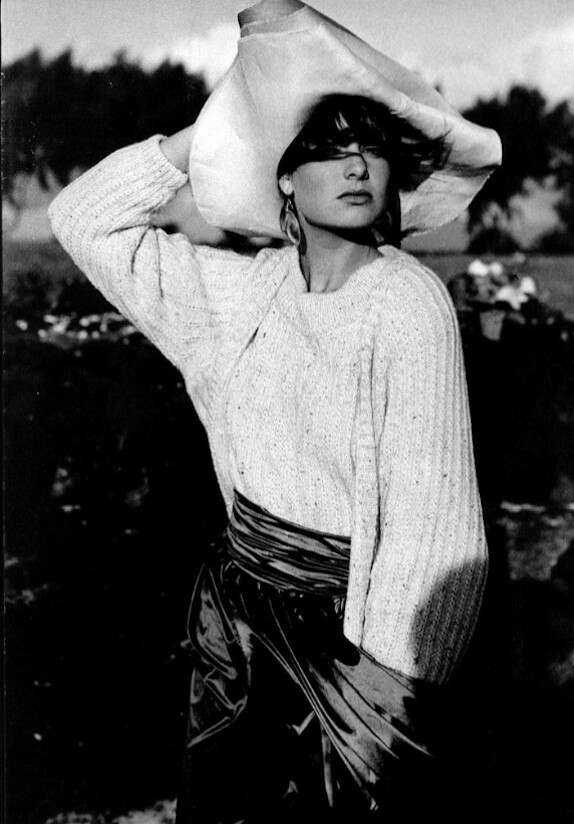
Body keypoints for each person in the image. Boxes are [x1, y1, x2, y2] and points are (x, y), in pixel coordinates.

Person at [49, 1, 501, 821]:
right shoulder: (238, 295)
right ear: (283, 175)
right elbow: (82, 219)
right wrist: (221, 129)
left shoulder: (408, 304)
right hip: (235, 626)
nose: (356, 166)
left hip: (353, 645)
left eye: (372, 147)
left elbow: (435, 527)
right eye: (326, 147)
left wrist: (386, 693)